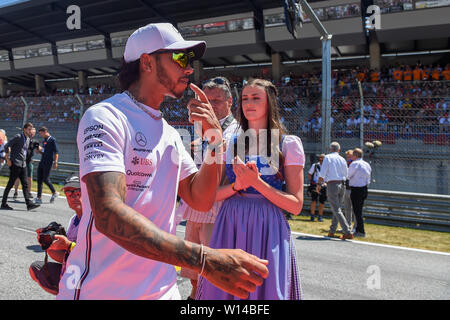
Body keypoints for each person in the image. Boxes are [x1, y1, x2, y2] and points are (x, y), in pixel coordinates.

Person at [57, 23, 269, 300]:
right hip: (103, 290)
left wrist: (215, 140)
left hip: (163, 291)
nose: (189, 68)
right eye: (180, 58)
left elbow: (200, 199)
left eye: (190, 60)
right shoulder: (106, 117)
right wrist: (204, 260)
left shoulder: (168, 132)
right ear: (147, 62)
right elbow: (109, 214)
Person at [196, 78, 304, 300]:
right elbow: (211, 196)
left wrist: (257, 183)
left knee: (265, 288)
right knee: (224, 289)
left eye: (256, 98)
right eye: (245, 98)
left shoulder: (288, 143)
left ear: (269, 103)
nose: (249, 103)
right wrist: (237, 185)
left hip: (268, 224)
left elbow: (296, 205)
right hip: (230, 220)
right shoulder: (229, 142)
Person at [180, 76, 239, 300]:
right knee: (194, 275)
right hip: (196, 209)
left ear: (230, 101)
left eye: (216, 101)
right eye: (206, 101)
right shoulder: (197, 128)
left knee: (214, 275)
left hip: (220, 211)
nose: (210, 106)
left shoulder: (238, 131)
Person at [29, 175, 83, 295]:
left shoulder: (94, 219)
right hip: (75, 270)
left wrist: (68, 245)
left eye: (77, 191)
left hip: (91, 274)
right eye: (68, 192)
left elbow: (95, 255)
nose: (73, 195)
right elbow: (65, 257)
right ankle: (67, 294)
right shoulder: (73, 219)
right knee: (36, 268)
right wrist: (48, 244)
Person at [316, 142, 353, 240]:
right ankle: (332, 231)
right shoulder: (342, 159)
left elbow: (322, 172)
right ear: (339, 150)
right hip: (342, 184)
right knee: (337, 209)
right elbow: (347, 174)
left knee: (336, 209)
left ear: (330, 149)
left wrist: (319, 184)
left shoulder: (328, 157)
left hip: (332, 184)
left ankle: (347, 231)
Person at [1, 123, 40, 211]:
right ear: (25, 129)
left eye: (31, 129)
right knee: (10, 184)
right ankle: (3, 203)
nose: (31, 131)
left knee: (25, 184)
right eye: (29, 129)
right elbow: (7, 146)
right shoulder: (18, 137)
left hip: (23, 164)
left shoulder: (28, 139)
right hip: (16, 164)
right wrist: (8, 159)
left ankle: (29, 204)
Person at [348, 148, 372, 238]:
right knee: (359, 210)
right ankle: (358, 229)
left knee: (357, 211)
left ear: (355, 155)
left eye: (353, 155)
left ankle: (361, 231)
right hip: (364, 188)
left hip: (356, 189)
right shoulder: (367, 164)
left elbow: (348, 175)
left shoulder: (354, 164)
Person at [34, 127, 59, 204]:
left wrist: (55, 162)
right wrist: (39, 151)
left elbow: (56, 152)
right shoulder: (44, 140)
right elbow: (44, 151)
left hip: (48, 162)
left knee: (45, 179)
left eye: (41, 133)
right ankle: (39, 197)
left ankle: (54, 192)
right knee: (39, 179)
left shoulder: (52, 140)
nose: (41, 135)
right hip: (42, 161)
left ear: (45, 132)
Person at [13, 127, 37, 200]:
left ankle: (29, 192)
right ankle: (16, 191)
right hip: (21, 161)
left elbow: (38, 149)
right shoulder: (23, 139)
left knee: (29, 178)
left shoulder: (35, 141)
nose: (32, 134)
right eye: (31, 132)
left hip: (29, 161)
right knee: (18, 177)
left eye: (33, 133)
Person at [308, 153, 326, 222]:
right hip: (315, 184)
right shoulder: (315, 165)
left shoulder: (327, 166)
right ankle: (312, 215)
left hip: (323, 185)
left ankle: (320, 216)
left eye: (323, 160)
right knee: (314, 200)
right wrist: (312, 182)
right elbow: (310, 174)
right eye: (320, 159)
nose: (321, 161)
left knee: (322, 201)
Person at [344, 149, 355, 232]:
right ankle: (348, 226)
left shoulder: (354, 164)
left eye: (350, 156)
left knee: (355, 209)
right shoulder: (346, 164)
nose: (348, 158)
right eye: (347, 157)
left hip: (353, 188)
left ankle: (355, 227)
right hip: (347, 188)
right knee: (347, 209)